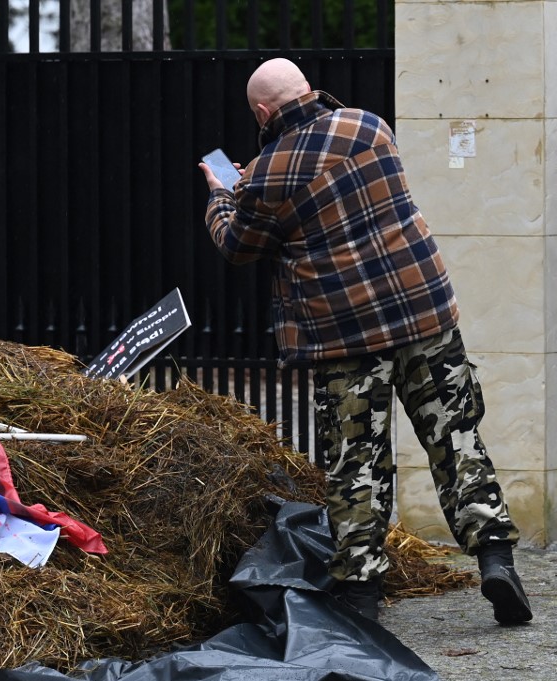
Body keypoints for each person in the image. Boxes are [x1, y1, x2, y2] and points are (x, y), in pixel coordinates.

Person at [197, 58, 532, 625]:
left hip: (344, 336)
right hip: (424, 313)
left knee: (357, 462)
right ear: (308, 88)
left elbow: (238, 246)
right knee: (455, 437)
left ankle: (361, 597)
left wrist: (222, 194)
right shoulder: (371, 128)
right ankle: (496, 560)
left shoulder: (268, 176)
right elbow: (327, 174)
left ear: (261, 112)